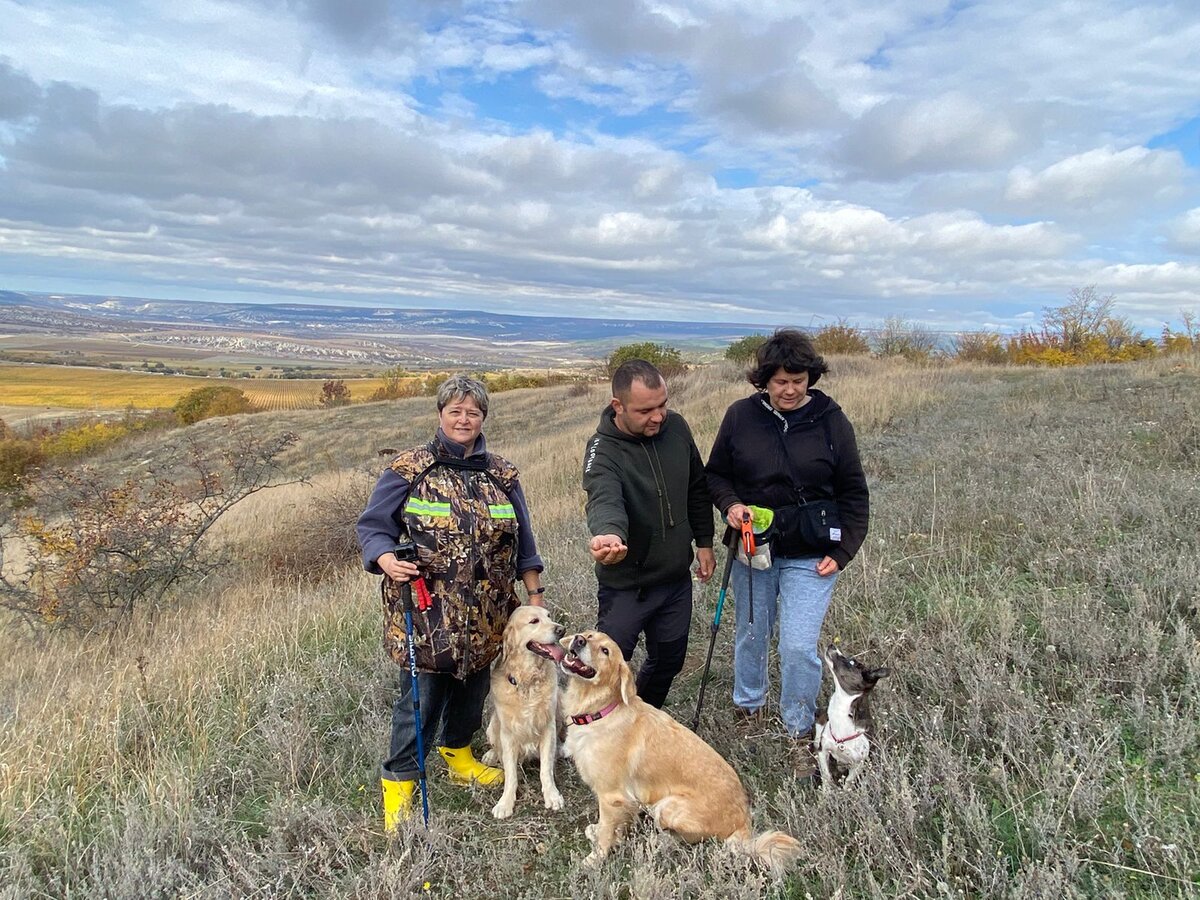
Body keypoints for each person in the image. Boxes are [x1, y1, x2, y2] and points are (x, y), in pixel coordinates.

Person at [356, 374, 545, 830]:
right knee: (418, 704)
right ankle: (400, 788)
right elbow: (373, 526)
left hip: (489, 614)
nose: (464, 419)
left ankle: (458, 755)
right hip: (426, 615)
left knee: (474, 690)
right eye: (455, 411)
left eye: (473, 412)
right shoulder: (409, 468)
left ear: (484, 417)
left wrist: (534, 592)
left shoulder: (502, 475)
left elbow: (525, 543)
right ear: (441, 414)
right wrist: (384, 557)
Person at [705, 329, 869, 777]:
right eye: (779, 381)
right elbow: (716, 475)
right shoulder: (741, 416)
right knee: (752, 633)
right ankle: (748, 707)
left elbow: (854, 491)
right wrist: (731, 505)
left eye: (798, 379)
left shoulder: (831, 420)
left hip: (812, 554)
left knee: (798, 647)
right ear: (764, 381)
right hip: (753, 548)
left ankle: (799, 729)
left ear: (810, 377)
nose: (790, 390)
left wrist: (845, 549)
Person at [582, 359, 716, 709]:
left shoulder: (677, 428)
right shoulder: (603, 449)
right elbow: (603, 496)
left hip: (674, 579)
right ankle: (590, 726)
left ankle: (643, 716)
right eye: (646, 410)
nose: (658, 416)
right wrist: (609, 534)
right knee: (607, 667)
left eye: (663, 405)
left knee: (668, 660)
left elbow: (697, 487)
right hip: (628, 585)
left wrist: (704, 542)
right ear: (618, 406)